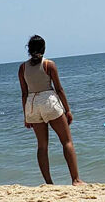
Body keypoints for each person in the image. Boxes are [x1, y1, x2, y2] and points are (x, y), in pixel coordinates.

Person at [18, 36, 83, 185]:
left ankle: (49, 183)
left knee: (42, 146)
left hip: (32, 104)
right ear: (44, 48)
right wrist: (68, 110)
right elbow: (59, 89)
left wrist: (26, 116)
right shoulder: (49, 65)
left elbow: (24, 93)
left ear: (28, 49)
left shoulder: (22, 68)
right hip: (49, 101)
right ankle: (76, 179)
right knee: (67, 141)